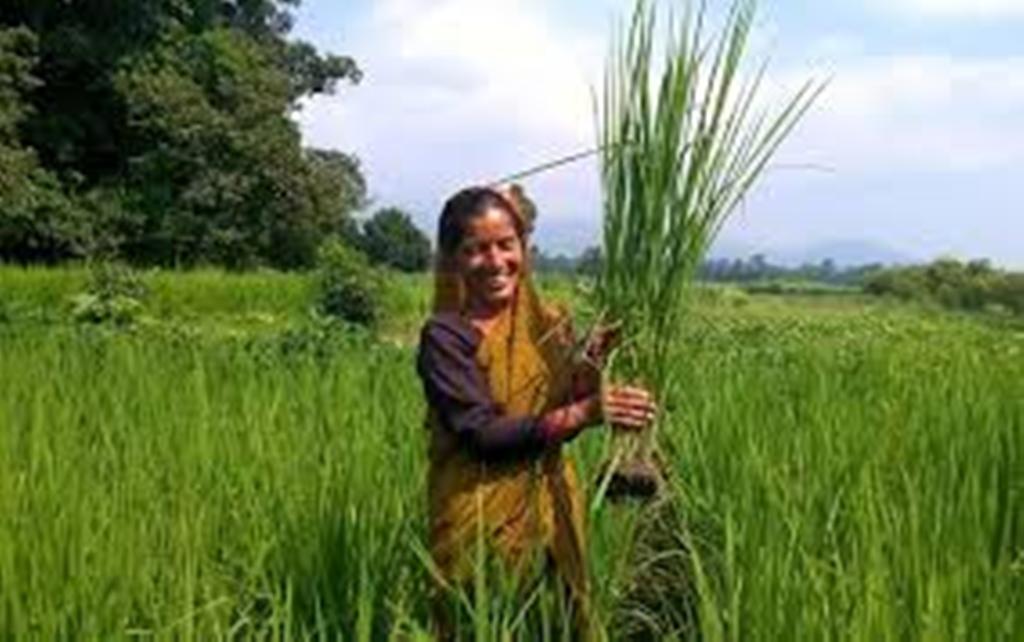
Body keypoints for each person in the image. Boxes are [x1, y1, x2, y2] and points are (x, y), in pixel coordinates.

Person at [415, 185, 657, 637]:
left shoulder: (549, 324)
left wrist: (587, 372)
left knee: (557, 624)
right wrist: (585, 412)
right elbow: (483, 434)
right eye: (476, 249)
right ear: (453, 259)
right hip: (476, 512)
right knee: (479, 623)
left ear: (523, 247)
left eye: (506, 245)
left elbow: (552, 421)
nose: (496, 262)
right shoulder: (445, 338)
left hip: (553, 506)